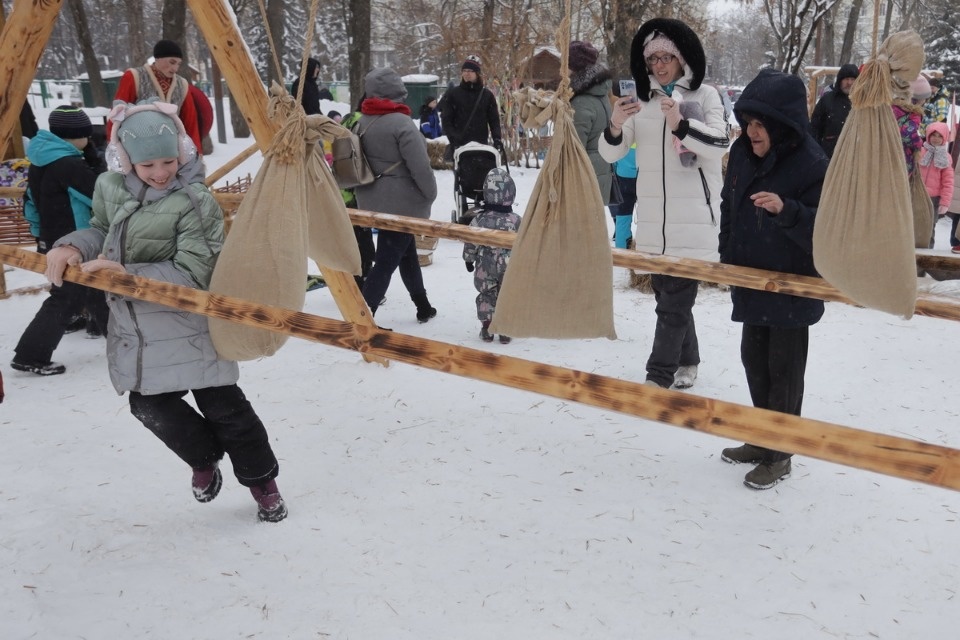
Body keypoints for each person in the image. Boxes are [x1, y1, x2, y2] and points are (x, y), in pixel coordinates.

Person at [41, 100, 287, 523]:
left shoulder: (195, 199)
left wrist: (127, 274)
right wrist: (72, 245)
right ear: (126, 161)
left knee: (227, 411)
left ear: (183, 154)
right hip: (137, 330)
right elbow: (101, 229)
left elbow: (196, 269)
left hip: (189, 325)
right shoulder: (110, 187)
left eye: (169, 160)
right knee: (149, 407)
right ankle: (204, 458)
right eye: (148, 164)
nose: (161, 173)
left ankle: (263, 482)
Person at [600, 18, 729, 390]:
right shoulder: (641, 100)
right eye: (652, 58)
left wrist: (681, 123)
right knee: (668, 297)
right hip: (655, 221)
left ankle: (657, 377)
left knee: (674, 300)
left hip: (695, 217)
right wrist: (616, 122)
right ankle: (688, 360)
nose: (659, 65)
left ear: (682, 58)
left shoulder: (705, 96)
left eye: (666, 57)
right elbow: (612, 153)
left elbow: (720, 144)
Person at [716, 69, 830, 490]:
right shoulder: (742, 152)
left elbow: (828, 230)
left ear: (782, 125)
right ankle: (763, 437)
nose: (752, 131)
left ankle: (779, 454)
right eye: (748, 122)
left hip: (792, 286)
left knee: (784, 371)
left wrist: (788, 210)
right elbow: (730, 205)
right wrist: (729, 257)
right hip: (751, 279)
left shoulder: (813, 163)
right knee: (754, 362)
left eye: (761, 124)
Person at [11, 106, 108, 376]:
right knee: (67, 296)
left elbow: (30, 202)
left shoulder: (41, 160)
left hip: (54, 237)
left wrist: (41, 234)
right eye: (86, 135)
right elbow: (99, 198)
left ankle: (117, 336)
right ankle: (31, 354)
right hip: (74, 242)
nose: (89, 140)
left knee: (97, 287)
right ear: (74, 136)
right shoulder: (68, 164)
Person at [354, 69, 438, 322]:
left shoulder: (362, 122)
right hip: (403, 203)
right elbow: (420, 167)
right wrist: (430, 194)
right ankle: (362, 316)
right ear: (395, 92)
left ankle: (423, 305)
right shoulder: (401, 124)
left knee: (406, 253)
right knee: (386, 261)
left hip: (371, 199)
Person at [109, 40, 202, 152]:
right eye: (172, 62)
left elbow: (190, 120)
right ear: (158, 58)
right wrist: (114, 146)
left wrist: (196, 151)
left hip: (172, 149)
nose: (175, 68)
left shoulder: (182, 84)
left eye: (178, 64)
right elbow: (117, 114)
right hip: (139, 148)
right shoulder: (134, 77)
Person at [462, 168, 522, 343]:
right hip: (509, 266)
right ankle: (504, 329)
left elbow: (471, 240)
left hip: (484, 265)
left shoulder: (479, 219)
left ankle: (487, 327)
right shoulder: (516, 220)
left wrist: (468, 258)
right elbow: (524, 243)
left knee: (486, 294)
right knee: (506, 294)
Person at [568, 40, 614, 208]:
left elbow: (573, 149)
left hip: (583, 178)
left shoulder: (580, 102)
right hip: (600, 171)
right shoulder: (600, 94)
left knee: (579, 231)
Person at [439, 55, 503, 156]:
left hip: (481, 145)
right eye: (464, 70)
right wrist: (453, 139)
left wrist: (497, 139)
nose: (467, 73)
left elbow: (494, 120)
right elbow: (446, 119)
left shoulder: (487, 95)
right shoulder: (453, 94)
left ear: (477, 73)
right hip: (459, 147)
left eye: (470, 71)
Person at [809, 63, 859, 158]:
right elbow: (815, 128)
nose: (849, 83)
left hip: (855, 155)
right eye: (846, 79)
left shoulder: (862, 102)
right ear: (840, 80)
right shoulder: (827, 100)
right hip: (829, 155)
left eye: (852, 79)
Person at [919, 121, 955, 246]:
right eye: (933, 135)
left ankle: (927, 252)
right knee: (913, 223)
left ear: (944, 138)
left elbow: (948, 182)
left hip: (933, 199)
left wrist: (945, 202)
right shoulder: (920, 152)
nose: (936, 139)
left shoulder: (946, 157)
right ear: (928, 135)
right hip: (917, 195)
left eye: (940, 136)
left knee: (929, 227)